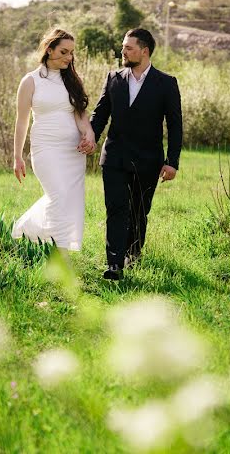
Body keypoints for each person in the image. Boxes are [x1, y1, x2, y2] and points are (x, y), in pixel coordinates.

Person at [87, 27, 183, 280]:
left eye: (128, 48)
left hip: (148, 161)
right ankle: (114, 263)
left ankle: (133, 252)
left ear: (144, 51)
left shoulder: (166, 83)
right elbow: (100, 114)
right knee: (116, 209)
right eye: (123, 47)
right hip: (114, 157)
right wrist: (90, 139)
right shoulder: (113, 78)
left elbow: (175, 125)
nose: (123, 51)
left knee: (139, 211)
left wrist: (172, 162)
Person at [12, 28, 95, 252]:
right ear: (49, 50)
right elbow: (22, 121)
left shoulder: (72, 81)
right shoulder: (30, 81)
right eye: (64, 51)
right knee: (58, 195)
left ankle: (51, 243)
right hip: (45, 148)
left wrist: (89, 134)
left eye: (71, 53)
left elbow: (80, 114)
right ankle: (56, 250)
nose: (69, 57)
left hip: (72, 151)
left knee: (71, 200)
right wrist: (17, 156)